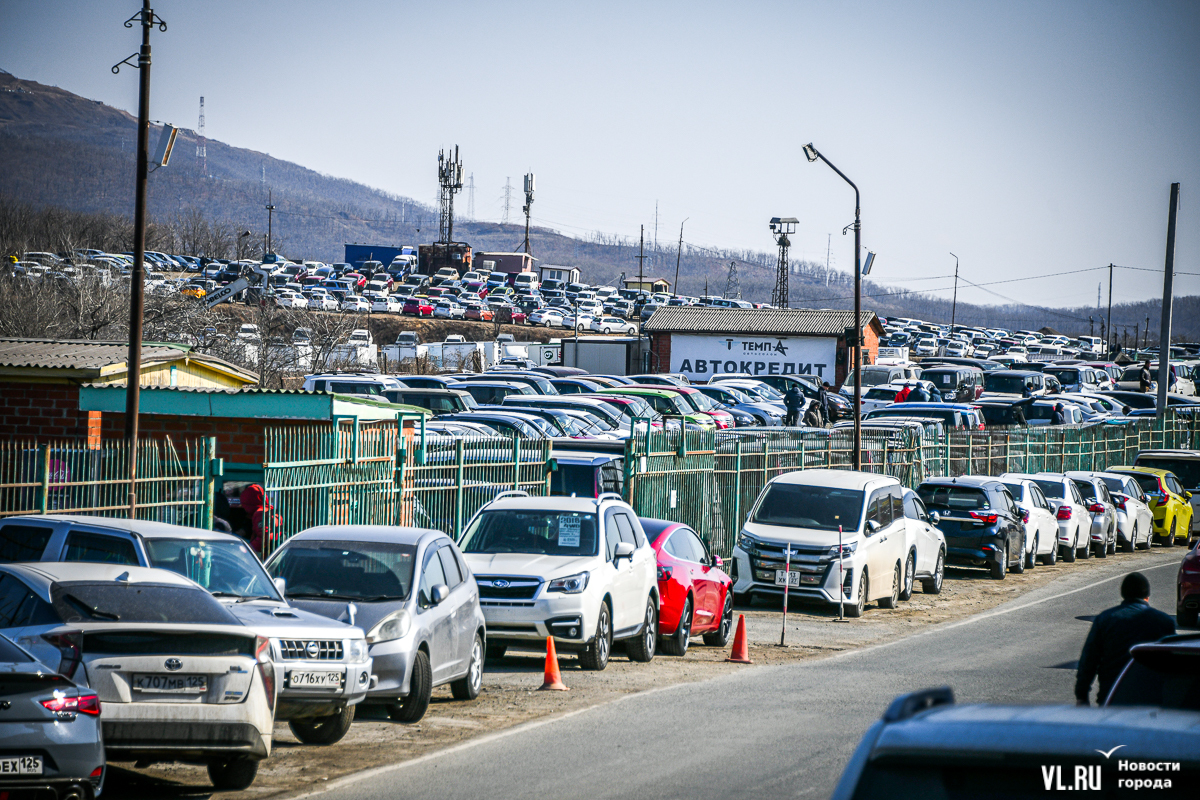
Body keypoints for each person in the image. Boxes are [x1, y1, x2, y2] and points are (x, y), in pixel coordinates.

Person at [1075, 572, 1175, 705]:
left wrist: (1082, 695)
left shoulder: (1105, 620)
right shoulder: (1164, 622)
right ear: (1147, 597)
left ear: (1123, 594)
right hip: (1151, 699)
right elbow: (1173, 663)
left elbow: (1089, 660)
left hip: (1112, 695)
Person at [239, 484, 278, 557]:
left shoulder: (260, 514)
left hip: (265, 555)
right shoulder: (269, 510)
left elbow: (264, 536)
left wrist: (249, 549)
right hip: (272, 552)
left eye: (244, 504)